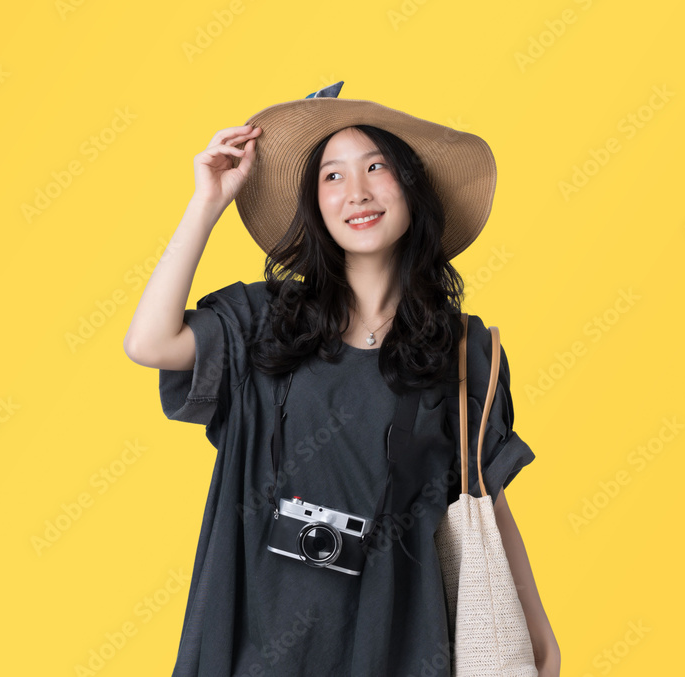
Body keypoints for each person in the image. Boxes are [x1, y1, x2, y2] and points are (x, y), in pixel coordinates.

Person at [124, 82, 560, 677]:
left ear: (411, 186)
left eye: (376, 167)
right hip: (252, 640)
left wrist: (537, 642)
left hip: (394, 642)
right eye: (331, 176)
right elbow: (148, 343)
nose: (356, 192)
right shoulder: (263, 323)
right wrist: (206, 203)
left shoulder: (463, 351)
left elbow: (488, 502)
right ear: (315, 205)